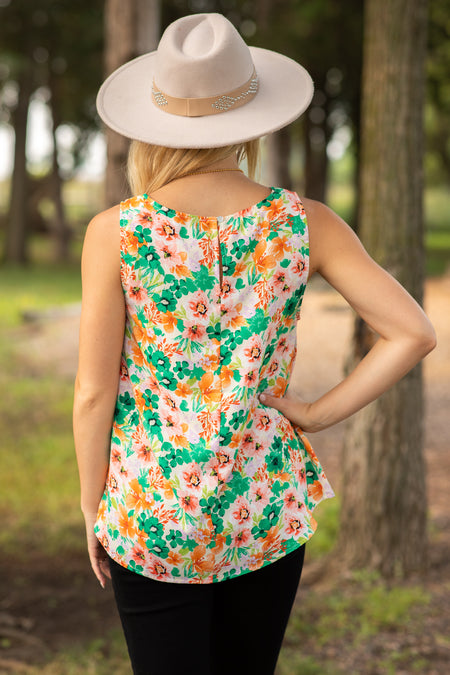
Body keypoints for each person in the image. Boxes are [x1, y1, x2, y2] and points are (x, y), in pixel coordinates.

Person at [73, 12, 436, 675]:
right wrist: (317, 412)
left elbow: (95, 391)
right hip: (264, 504)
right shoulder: (305, 223)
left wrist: (93, 503)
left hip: (151, 508)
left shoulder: (115, 232)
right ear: (253, 119)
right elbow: (412, 331)